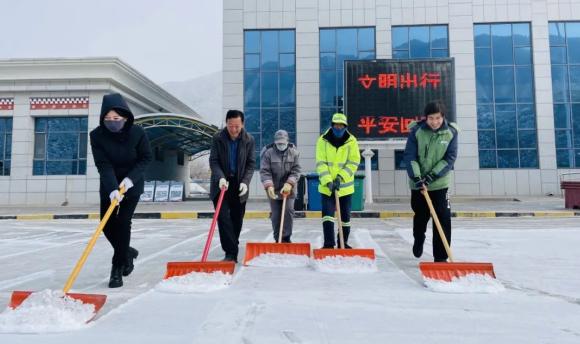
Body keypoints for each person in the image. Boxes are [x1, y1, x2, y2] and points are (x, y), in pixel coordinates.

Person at [90, 93, 152, 288]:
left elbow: (145, 158)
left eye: (116, 119)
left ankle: (117, 269)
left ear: (125, 117)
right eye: (108, 119)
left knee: (123, 222)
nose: (112, 123)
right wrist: (112, 188)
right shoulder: (96, 135)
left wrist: (129, 180)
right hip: (109, 185)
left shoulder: (137, 133)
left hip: (131, 184)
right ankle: (127, 252)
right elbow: (103, 164)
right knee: (106, 225)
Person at [403, 100, 459, 262]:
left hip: (440, 184)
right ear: (425, 118)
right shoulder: (416, 132)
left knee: (443, 219)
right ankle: (419, 238)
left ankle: (440, 259)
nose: (435, 122)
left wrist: (431, 177)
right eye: (431, 118)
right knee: (421, 217)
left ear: (443, 117)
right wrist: (418, 178)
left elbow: (450, 158)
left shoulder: (451, 133)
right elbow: (410, 156)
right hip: (418, 184)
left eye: (438, 118)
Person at [209, 109, 256, 263]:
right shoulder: (218, 138)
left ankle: (232, 245)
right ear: (226, 123)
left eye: (237, 126)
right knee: (223, 218)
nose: (234, 130)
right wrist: (220, 178)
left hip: (239, 183)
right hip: (221, 184)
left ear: (242, 124)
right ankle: (230, 254)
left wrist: (245, 182)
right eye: (230, 126)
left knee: (237, 219)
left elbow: (251, 164)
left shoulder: (249, 140)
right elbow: (214, 161)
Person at [315, 113, 360, 249]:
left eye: (341, 126)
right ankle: (328, 244)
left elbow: (353, 161)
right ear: (332, 125)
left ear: (345, 126)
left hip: (345, 187)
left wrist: (340, 177)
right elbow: (321, 163)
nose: (339, 128)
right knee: (328, 216)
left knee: (345, 219)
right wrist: (328, 181)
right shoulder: (322, 140)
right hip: (327, 187)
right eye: (336, 125)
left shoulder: (352, 141)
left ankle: (343, 243)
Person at [260, 130, 301, 243]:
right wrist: (269, 186)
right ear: (275, 142)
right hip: (274, 189)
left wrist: (289, 183)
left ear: (287, 141)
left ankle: (286, 238)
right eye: (279, 143)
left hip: (289, 189)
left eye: (283, 143)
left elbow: (296, 170)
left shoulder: (294, 152)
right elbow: (264, 171)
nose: (281, 145)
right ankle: (277, 239)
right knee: (276, 214)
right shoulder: (268, 153)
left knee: (288, 211)